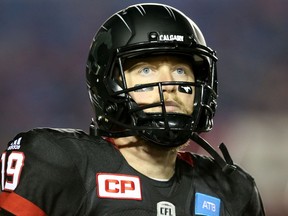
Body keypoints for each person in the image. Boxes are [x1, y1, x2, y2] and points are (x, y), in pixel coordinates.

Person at [0, 3, 265, 216]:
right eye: (146, 70)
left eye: (181, 70)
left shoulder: (233, 190)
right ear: (109, 82)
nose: (170, 84)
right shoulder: (55, 161)